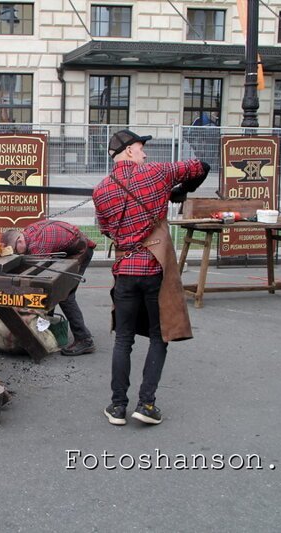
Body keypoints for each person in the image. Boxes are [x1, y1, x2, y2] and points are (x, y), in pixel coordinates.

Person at [92, 129, 209, 426]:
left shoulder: (100, 190)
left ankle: (117, 407)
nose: (145, 154)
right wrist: (179, 190)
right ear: (130, 151)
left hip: (124, 272)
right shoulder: (156, 173)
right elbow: (201, 166)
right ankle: (146, 404)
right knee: (159, 336)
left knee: (123, 340)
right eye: (142, 148)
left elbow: (105, 229)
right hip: (155, 269)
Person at [1, 220, 96, 356]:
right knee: (51, 291)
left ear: (20, 241)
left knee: (64, 294)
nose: (18, 255)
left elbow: (39, 280)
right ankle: (46, 331)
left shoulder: (39, 244)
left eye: (16, 252)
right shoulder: (27, 233)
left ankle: (84, 339)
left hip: (80, 251)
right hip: (65, 252)